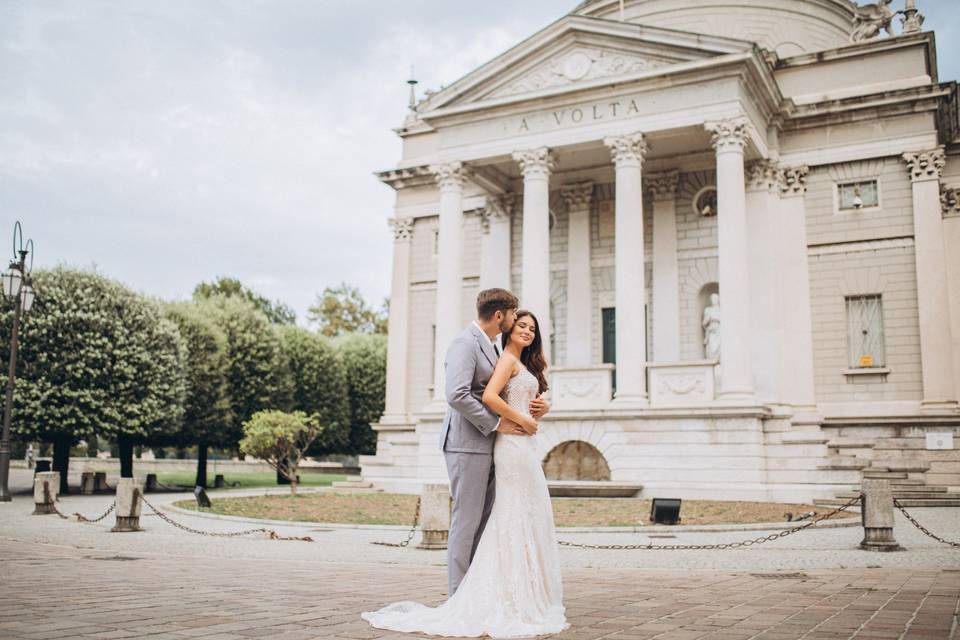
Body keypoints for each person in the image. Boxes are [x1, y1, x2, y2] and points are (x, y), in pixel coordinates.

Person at [363, 303, 567, 638]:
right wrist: (510, 421)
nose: (524, 329)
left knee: (507, 519)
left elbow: (517, 402)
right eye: (519, 323)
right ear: (502, 317)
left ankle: (509, 590)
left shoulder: (498, 352)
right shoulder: (475, 346)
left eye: (530, 327)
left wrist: (541, 409)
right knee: (474, 520)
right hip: (483, 443)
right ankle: (463, 598)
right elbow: (469, 395)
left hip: (509, 445)